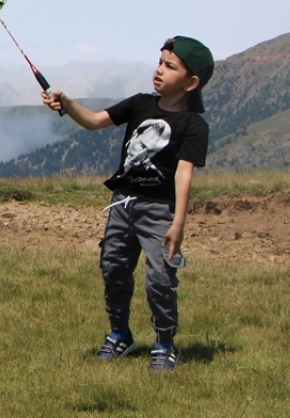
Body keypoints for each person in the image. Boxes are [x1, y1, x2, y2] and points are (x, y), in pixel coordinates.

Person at [42, 36, 213, 373]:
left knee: (160, 279)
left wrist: (178, 222)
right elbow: (93, 121)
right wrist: (67, 102)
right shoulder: (139, 104)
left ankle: (164, 343)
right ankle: (120, 334)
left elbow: (183, 174)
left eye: (170, 66)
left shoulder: (194, 125)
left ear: (191, 82)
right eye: (160, 62)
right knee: (114, 268)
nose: (159, 70)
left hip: (160, 212)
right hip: (122, 204)